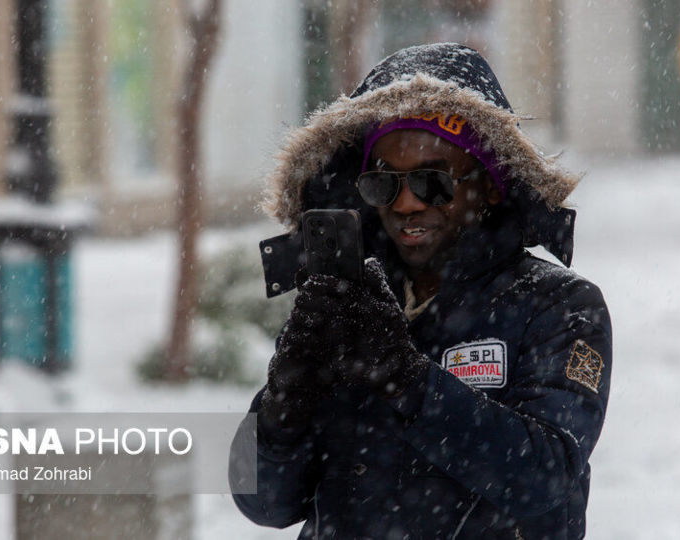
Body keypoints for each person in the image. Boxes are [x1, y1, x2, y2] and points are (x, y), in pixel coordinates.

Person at [230, 43, 612, 539]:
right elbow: (260, 503)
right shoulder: (346, 300)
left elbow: (544, 475)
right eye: (384, 185)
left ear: (490, 185)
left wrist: (408, 381)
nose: (407, 203)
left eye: (433, 182)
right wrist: (284, 403)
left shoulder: (560, 306)